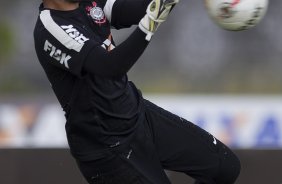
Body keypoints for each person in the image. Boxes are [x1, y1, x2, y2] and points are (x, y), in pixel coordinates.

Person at [33, 0, 241, 183]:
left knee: (224, 168)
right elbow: (109, 67)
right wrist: (148, 26)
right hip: (107, 149)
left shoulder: (90, 2)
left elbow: (135, 9)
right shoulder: (51, 28)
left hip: (137, 116)